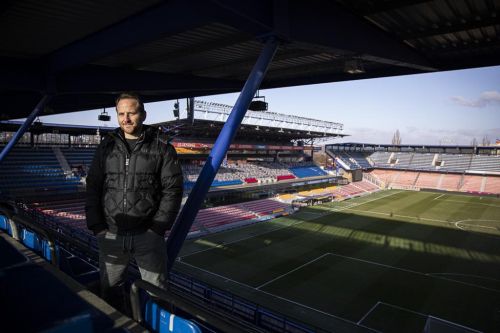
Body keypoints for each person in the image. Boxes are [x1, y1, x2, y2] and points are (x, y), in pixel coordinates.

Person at [85, 92, 183, 313]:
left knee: (157, 294)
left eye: (131, 113)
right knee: (109, 291)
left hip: (147, 237)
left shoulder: (162, 147)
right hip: (111, 234)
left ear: (143, 114)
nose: (125, 119)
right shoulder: (106, 146)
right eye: (121, 113)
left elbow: (173, 190)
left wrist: (157, 228)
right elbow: (93, 187)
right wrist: (98, 227)